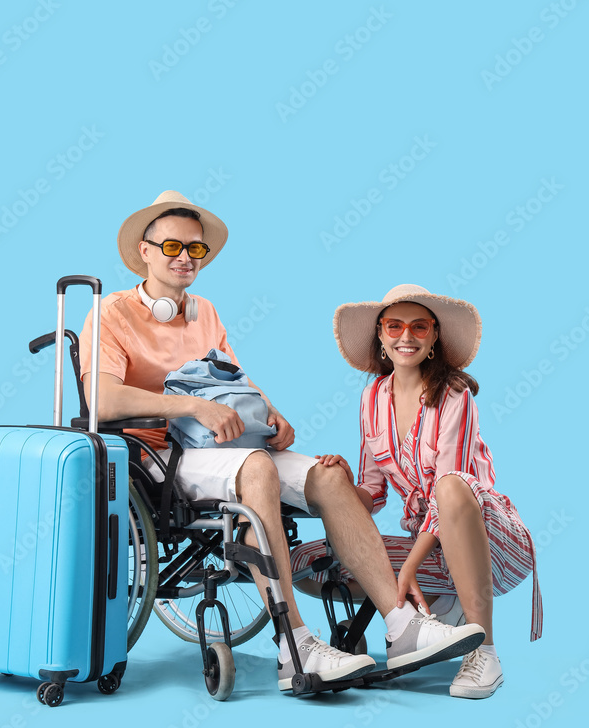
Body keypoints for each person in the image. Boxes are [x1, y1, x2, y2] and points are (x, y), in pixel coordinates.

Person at [79, 194, 485, 693]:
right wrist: (194, 408)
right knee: (257, 468)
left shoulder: (203, 311)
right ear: (144, 251)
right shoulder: (110, 312)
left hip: (225, 444)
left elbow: (234, 377)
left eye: (195, 250)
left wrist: (271, 413)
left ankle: (402, 627)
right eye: (170, 246)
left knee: (329, 474)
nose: (185, 257)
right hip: (158, 456)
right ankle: (296, 648)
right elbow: (101, 398)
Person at [291, 284, 543, 699]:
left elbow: (453, 489)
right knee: (310, 565)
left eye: (418, 327)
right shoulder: (372, 396)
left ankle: (486, 653)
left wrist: (406, 570)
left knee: (449, 486)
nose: (405, 336)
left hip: (490, 539)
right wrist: (340, 482)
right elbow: (373, 493)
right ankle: (443, 605)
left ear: (433, 337)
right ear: (381, 336)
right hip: (430, 549)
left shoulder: (455, 394)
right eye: (394, 326)